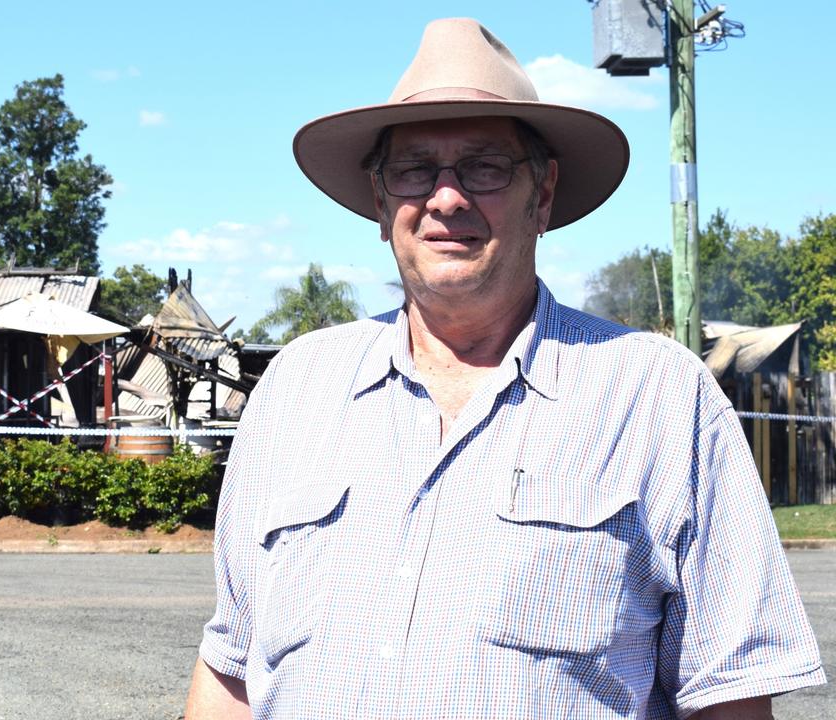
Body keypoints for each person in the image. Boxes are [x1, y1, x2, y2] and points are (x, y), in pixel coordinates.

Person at [185, 17, 825, 720]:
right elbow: (232, 674)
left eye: (485, 167)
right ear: (379, 201)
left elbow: (728, 697)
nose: (446, 197)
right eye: (413, 169)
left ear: (541, 195)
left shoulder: (656, 397)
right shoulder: (296, 389)